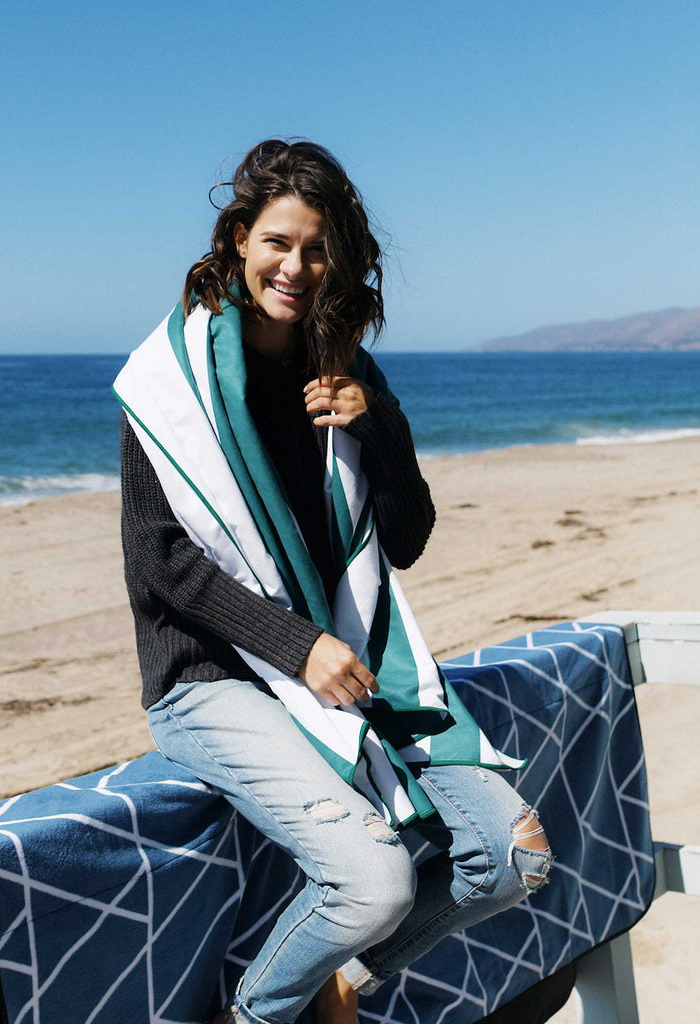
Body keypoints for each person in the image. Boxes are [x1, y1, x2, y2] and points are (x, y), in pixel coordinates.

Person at [115, 139, 552, 1024]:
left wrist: (376, 421)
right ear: (239, 238)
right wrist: (295, 644)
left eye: (317, 249)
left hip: (345, 667)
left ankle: (333, 974)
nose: (297, 266)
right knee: (375, 881)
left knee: (513, 856)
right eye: (278, 242)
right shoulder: (171, 380)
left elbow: (410, 537)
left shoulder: (343, 363)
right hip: (214, 680)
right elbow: (157, 560)